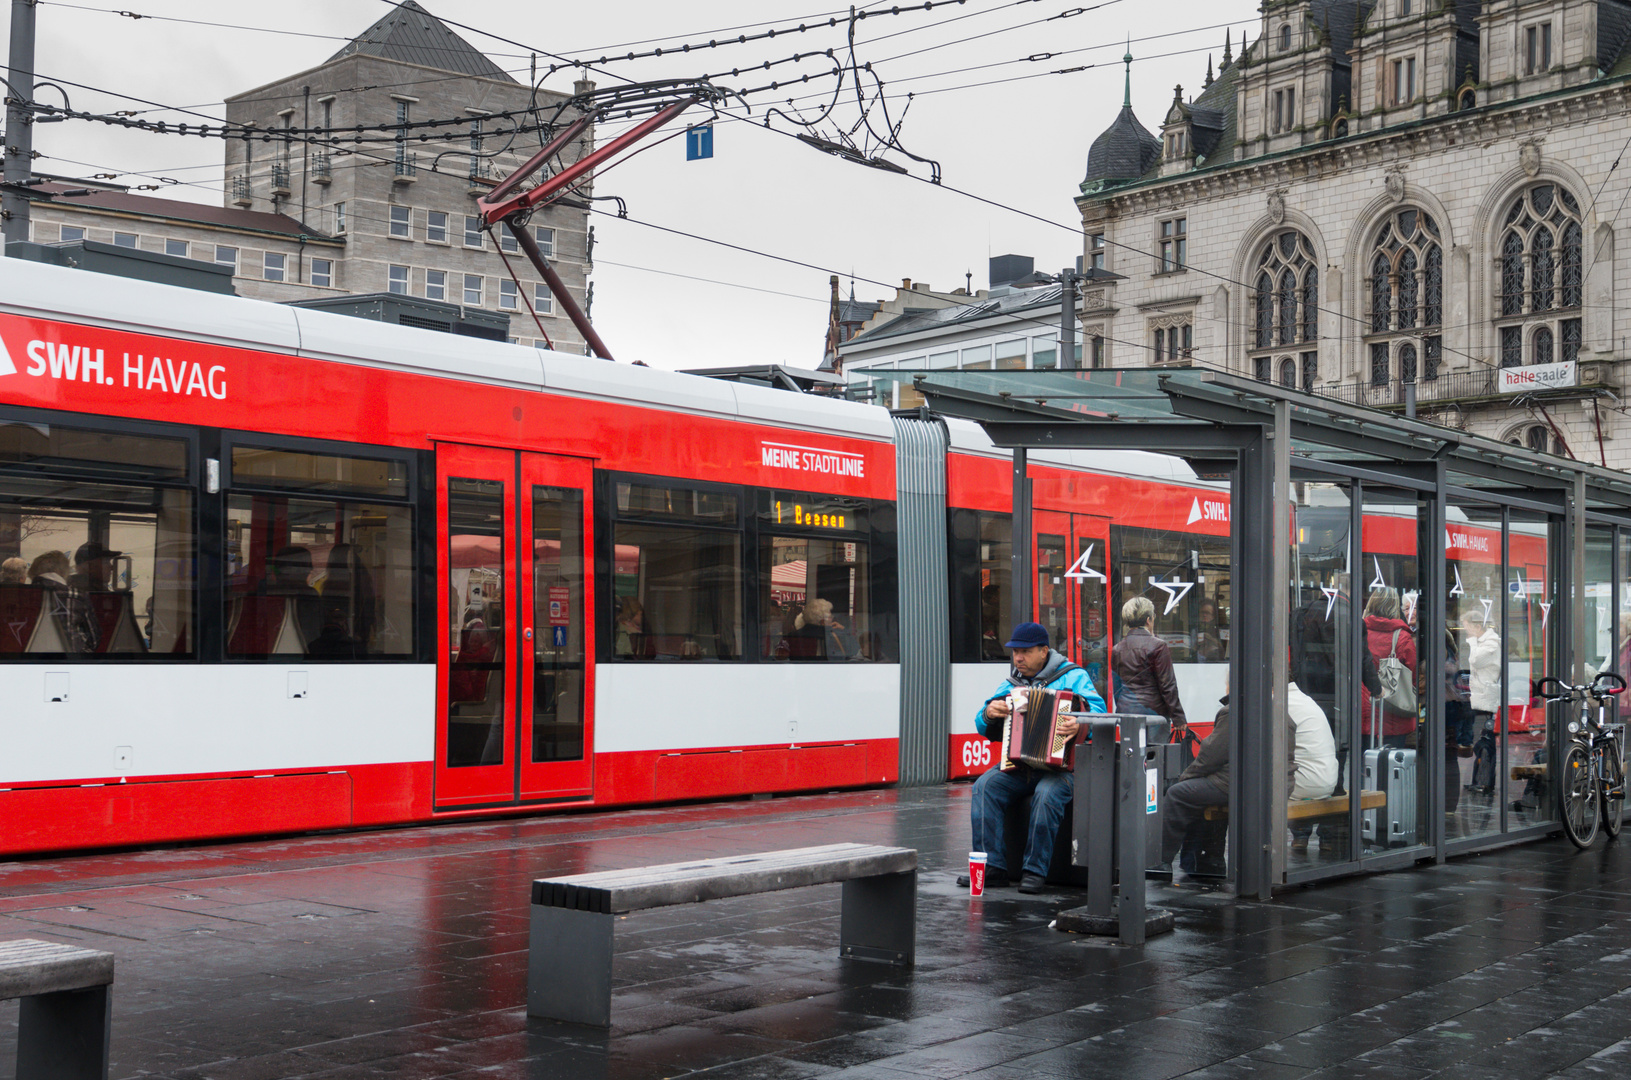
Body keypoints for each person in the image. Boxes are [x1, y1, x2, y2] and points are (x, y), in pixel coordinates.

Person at [958, 622, 1105, 894]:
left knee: (1047, 794)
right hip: (1021, 765)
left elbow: (1100, 713)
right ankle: (992, 868)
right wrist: (989, 713)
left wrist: (1080, 722)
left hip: (1064, 769)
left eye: (1024, 652)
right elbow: (982, 725)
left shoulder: (1074, 677)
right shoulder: (1011, 683)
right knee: (984, 787)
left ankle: (1034, 871)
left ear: (1044, 651)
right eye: (1015, 653)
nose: (1018, 659)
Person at [1162, 693, 1230, 883]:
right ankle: (1209, 860)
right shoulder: (1274, 707)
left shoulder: (1231, 712)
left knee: (1177, 794)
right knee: (1198, 793)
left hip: (1233, 783)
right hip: (1255, 780)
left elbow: (1211, 755)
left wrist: (1185, 777)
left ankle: (1161, 861)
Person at [1112, 596, 1187, 732]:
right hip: (1154, 714)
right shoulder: (1158, 646)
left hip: (1126, 713)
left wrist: (1124, 706)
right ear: (1148, 620)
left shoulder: (1117, 649)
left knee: (1130, 751)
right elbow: (1167, 685)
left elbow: (1116, 686)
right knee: (1155, 752)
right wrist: (1178, 717)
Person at [1360, 588, 1417, 749]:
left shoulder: (1358, 631)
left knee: (1364, 766)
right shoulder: (1403, 637)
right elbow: (1412, 674)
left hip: (1363, 713)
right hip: (1394, 715)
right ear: (1395, 607)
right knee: (1391, 767)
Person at [1462, 607, 1502, 794]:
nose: (1466, 631)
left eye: (1467, 626)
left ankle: (1484, 782)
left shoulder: (1491, 643)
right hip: (1480, 696)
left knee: (1485, 741)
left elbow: (1476, 660)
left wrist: (1472, 642)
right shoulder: (1485, 642)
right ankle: (1480, 780)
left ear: (1477, 625)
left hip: (1485, 698)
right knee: (1481, 740)